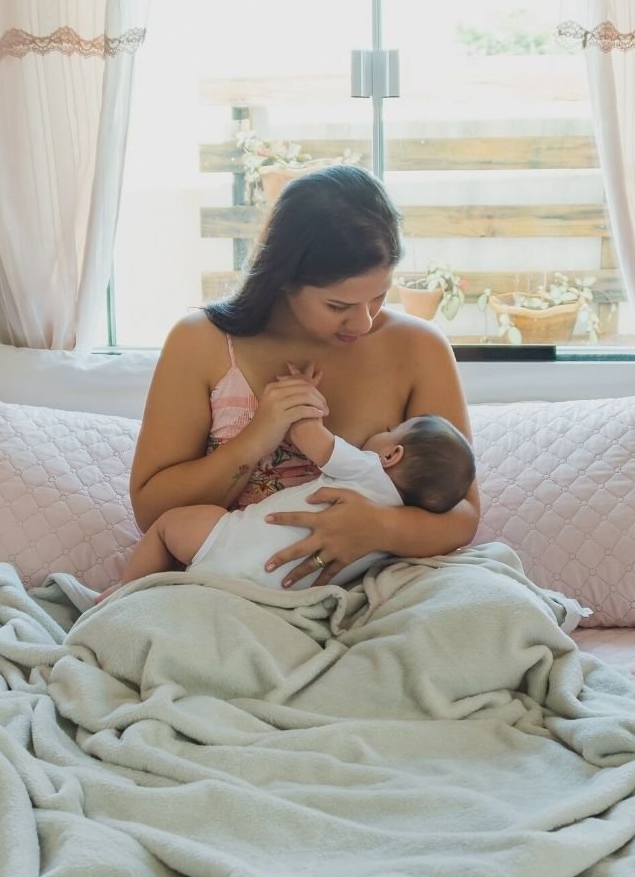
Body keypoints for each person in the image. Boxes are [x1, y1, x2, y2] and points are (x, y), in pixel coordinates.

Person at [128, 164, 479, 589]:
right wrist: (259, 436)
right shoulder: (201, 343)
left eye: (379, 296)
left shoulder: (419, 347)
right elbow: (152, 512)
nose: (364, 322)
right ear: (284, 279)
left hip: (374, 594)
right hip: (227, 590)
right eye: (338, 306)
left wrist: (380, 528)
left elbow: (462, 516)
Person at [105, 361, 474, 599]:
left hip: (230, 545)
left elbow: (306, 436)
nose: (384, 431)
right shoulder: (405, 527)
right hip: (284, 595)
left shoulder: (366, 468)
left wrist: (302, 396)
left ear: (392, 455)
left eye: (392, 430)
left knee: (170, 526)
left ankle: (123, 593)